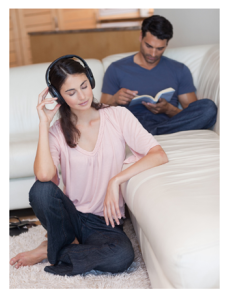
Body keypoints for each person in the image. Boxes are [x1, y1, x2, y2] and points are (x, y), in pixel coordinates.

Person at [9, 55, 168, 276]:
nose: (82, 96)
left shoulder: (118, 116)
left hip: (104, 222)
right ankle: (63, 242)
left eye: (84, 86)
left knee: (121, 256)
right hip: (70, 215)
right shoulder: (57, 131)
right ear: (59, 96)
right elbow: (44, 175)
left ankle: (53, 249)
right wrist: (44, 124)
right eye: (71, 92)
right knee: (41, 190)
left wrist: (116, 180)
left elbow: (158, 154)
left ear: (91, 81)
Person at [101, 15, 217, 136]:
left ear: (167, 44)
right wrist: (114, 99)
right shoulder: (116, 68)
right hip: (131, 125)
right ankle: (145, 135)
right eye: (149, 46)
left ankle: (149, 135)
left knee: (208, 107)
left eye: (159, 48)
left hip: (167, 125)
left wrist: (169, 109)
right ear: (141, 37)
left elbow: (191, 113)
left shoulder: (179, 70)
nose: (153, 53)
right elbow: (102, 112)